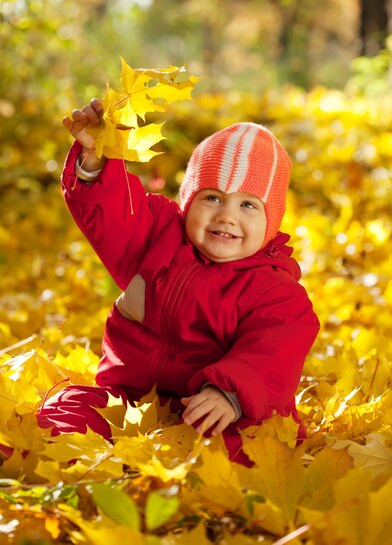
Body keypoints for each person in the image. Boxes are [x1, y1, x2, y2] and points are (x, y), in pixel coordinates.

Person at [37, 98, 320, 464]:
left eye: (248, 205)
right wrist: (97, 160)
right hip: (133, 401)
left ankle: (187, 480)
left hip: (212, 412)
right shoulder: (155, 235)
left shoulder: (275, 291)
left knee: (249, 445)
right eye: (212, 198)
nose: (226, 216)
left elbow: (275, 349)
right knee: (66, 405)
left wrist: (230, 394)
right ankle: (47, 459)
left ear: (271, 220)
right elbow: (112, 214)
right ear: (188, 200)